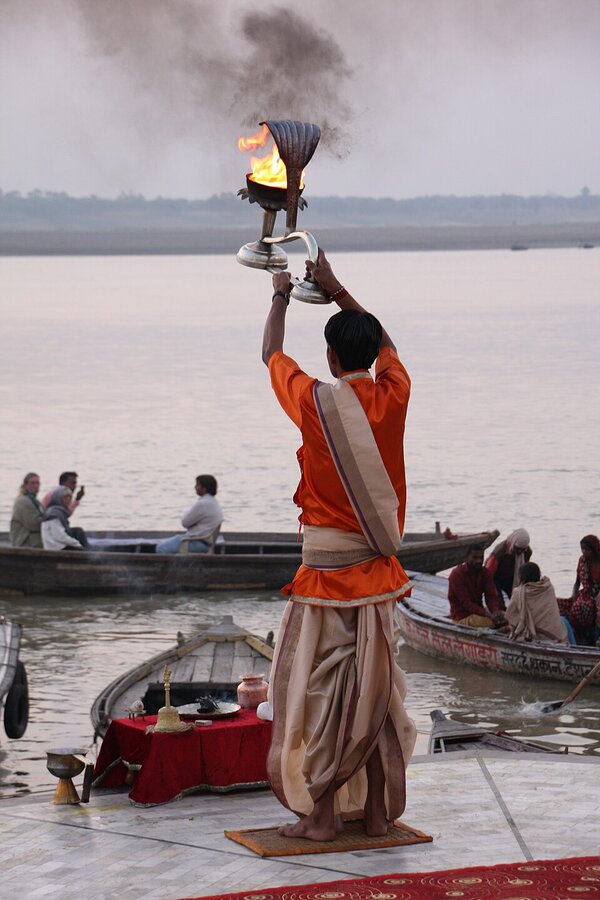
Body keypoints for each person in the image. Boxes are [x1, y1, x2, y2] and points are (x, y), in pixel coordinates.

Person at [262, 248, 416, 842]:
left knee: (323, 694)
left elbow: (271, 353)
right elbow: (386, 343)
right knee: (374, 693)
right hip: (378, 578)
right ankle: (376, 815)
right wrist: (336, 287)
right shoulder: (394, 394)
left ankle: (323, 817)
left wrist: (280, 292)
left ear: (328, 357)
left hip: (325, 579)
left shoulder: (313, 401)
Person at [155, 475, 223, 554]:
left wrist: (187, 515)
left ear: (204, 488)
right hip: (205, 542)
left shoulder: (202, 504)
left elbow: (185, 522)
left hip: (197, 542)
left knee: (161, 547)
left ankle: (172, 566)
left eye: (197, 485)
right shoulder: (213, 501)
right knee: (172, 541)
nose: (195, 487)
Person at [505, 562, 570, 644]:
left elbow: (511, 616)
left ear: (523, 577)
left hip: (534, 636)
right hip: (557, 634)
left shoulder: (518, 592)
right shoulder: (548, 587)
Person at [448, 545, 505, 627]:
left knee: (509, 617)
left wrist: (495, 611)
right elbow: (465, 603)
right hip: (462, 616)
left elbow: (491, 596)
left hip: (479, 613)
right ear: (466, 558)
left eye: (481, 557)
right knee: (488, 623)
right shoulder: (457, 574)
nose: (478, 561)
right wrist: (486, 613)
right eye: (474, 557)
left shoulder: (486, 573)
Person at [558, 535, 600, 646]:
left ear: (594, 550)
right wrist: (574, 594)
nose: (584, 552)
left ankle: (587, 636)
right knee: (559, 604)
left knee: (581, 607)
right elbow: (577, 581)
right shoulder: (582, 560)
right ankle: (577, 634)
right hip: (585, 593)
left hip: (597, 595)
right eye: (583, 549)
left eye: (588, 550)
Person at [485, 528, 532, 607]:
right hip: (496, 579)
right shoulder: (499, 552)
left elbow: (525, 569)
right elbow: (488, 573)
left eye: (522, 550)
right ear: (513, 544)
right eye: (517, 549)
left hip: (513, 578)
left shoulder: (527, 551)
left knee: (520, 602)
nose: (520, 552)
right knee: (498, 603)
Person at [9, 472, 44, 548]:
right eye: (32, 483)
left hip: (32, 538)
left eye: (37, 483)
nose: (36, 486)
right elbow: (34, 524)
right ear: (25, 485)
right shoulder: (23, 501)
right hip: (25, 541)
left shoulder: (35, 501)